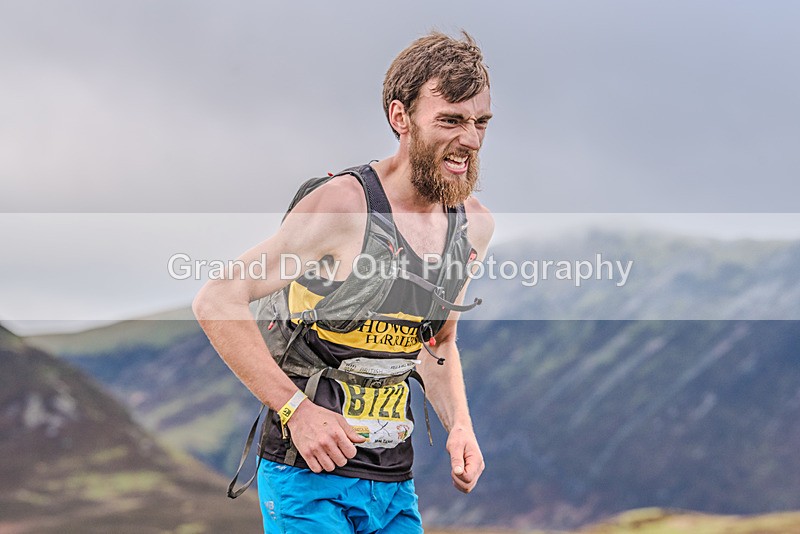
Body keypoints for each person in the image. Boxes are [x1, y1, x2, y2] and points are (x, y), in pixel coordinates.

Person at [193, 30, 494, 533]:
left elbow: (437, 343)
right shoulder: (343, 207)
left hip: (394, 482)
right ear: (401, 117)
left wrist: (459, 426)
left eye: (480, 122)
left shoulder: (473, 226)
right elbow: (217, 299)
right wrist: (296, 410)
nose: (470, 140)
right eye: (451, 120)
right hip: (306, 479)